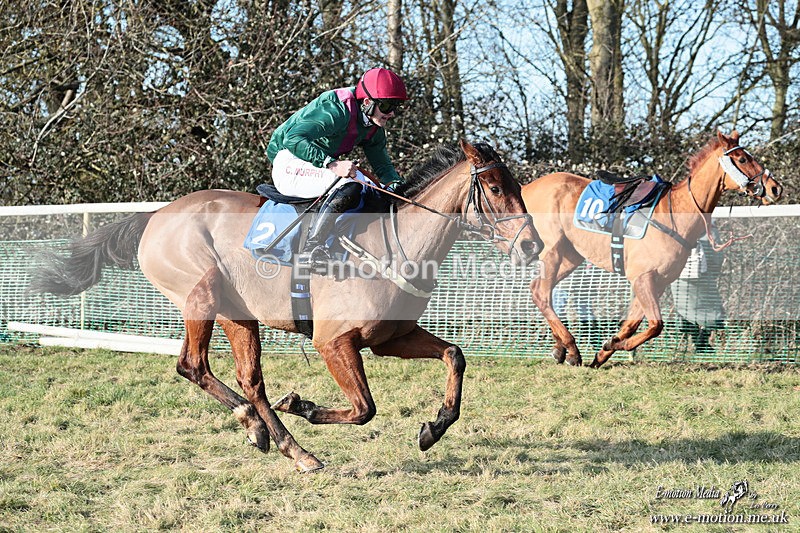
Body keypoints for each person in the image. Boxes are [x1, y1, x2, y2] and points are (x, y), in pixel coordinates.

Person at [266, 67, 408, 268]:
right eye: (386, 105)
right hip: (289, 159)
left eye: (396, 106)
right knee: (349, 183)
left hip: (314, 164)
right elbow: (293, 138)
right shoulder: (337, 110)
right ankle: (311, 249)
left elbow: (383, 167)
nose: (391, 113)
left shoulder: (373, 126)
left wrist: (399, 188)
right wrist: (331, 164)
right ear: (367, 102)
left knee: (373, 188)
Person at [670, 225, 726, 354]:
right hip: (700, 273)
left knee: (684, 311)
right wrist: (714, 272)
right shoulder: (709, 228)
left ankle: (698, 342)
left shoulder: (673, 225)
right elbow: (717, 255)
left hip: (677, 274)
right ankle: (701, 343)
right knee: (716, 311)